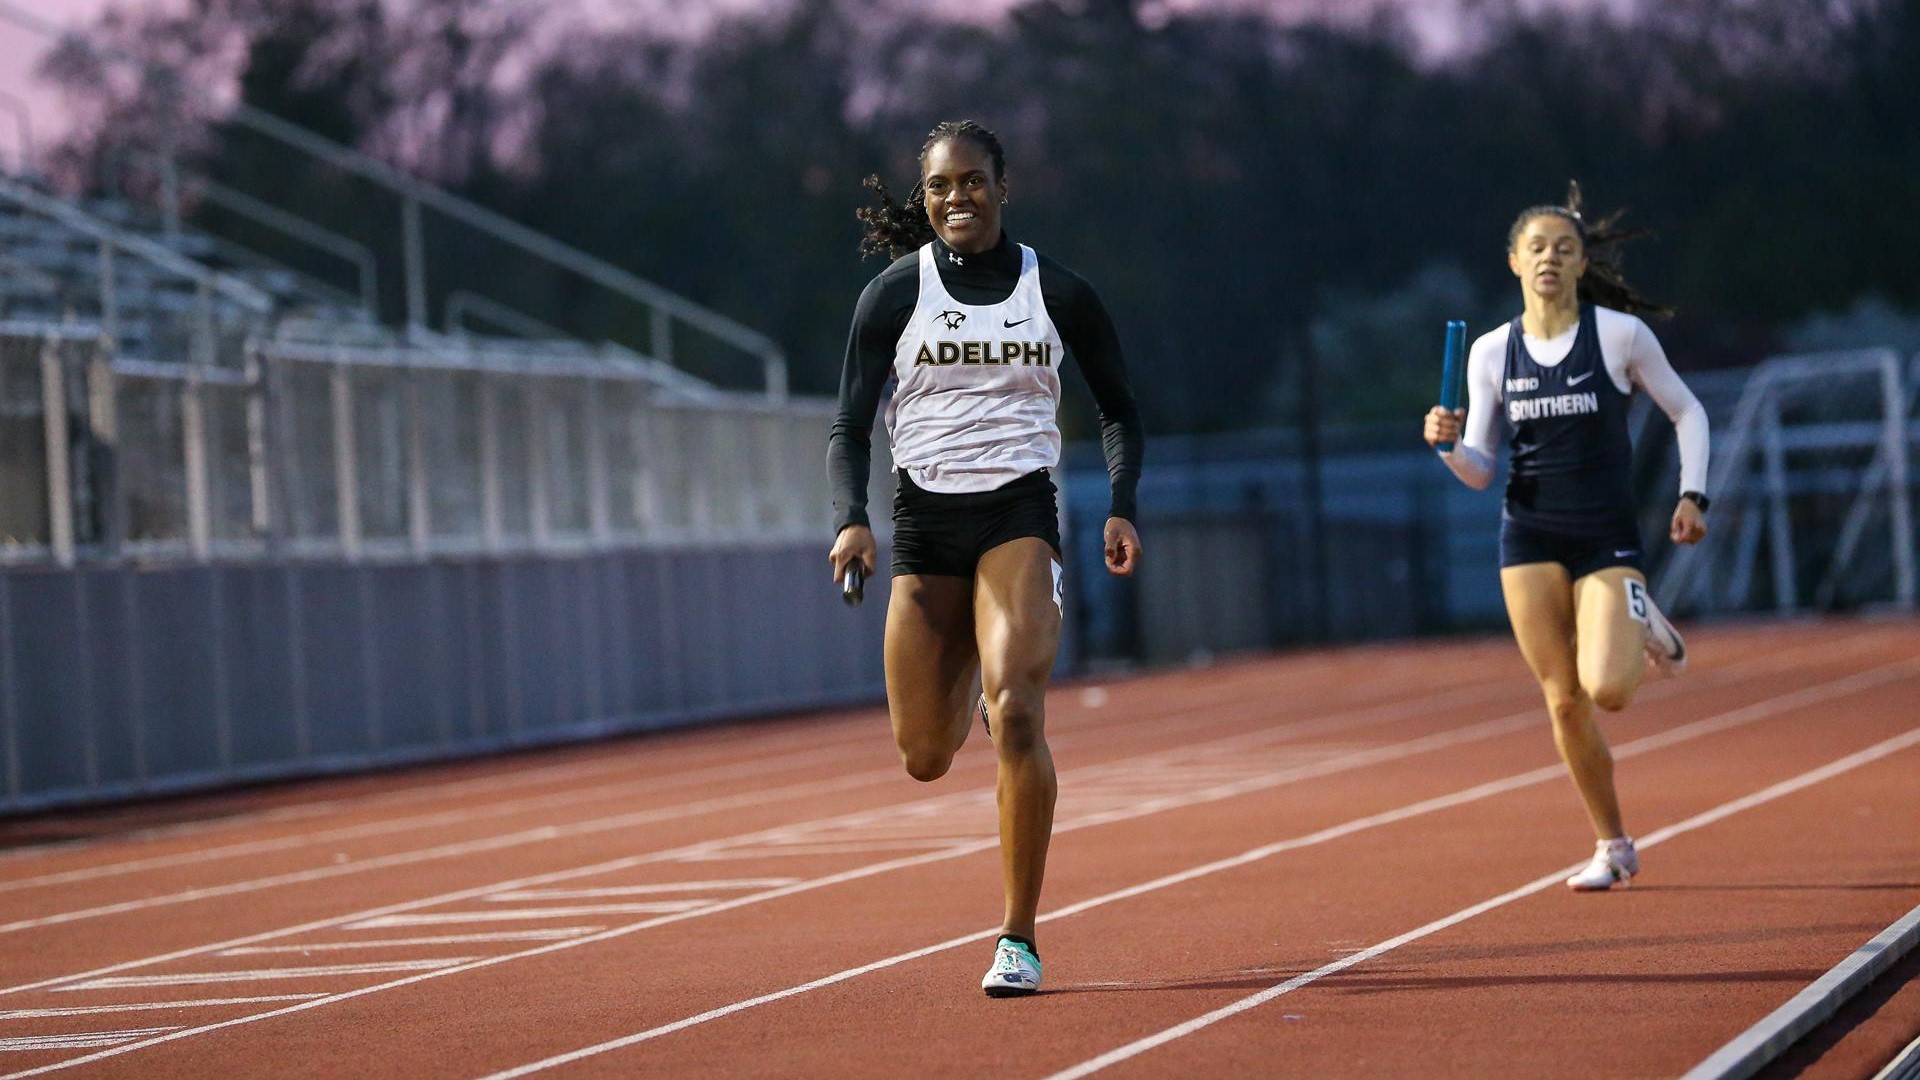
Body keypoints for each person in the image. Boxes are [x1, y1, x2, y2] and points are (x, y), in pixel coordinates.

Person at [827, 119, 1145, 995]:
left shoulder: (1059, 292)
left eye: (972, 181)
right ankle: (966, 672)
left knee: (1019, 716)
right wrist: (851, 519)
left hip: (1017, 515)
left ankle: (1018, 937)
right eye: (939, 186)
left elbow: (1119, 406)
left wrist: (1121, 506)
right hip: (926, 528)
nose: (956, 197)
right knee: (924, 755)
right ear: (922, 198)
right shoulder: (894, 295)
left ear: (1004, 188)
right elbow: (850, 424)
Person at [1423, 183, 1709, 892]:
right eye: (1537, 247)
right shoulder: (1491, 353)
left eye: (1565, 247)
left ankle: (1637, 616)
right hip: (1528, 534)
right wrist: (1448, 447)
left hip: (1604, 533)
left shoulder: (1619, 335)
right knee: (1562, 700)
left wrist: (1693, 494)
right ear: (1515, 262)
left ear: (1582, 263)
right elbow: (1481, 470)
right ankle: (1612, 844)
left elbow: (1689, 411)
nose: (1550, 257)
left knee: (1607, 690)